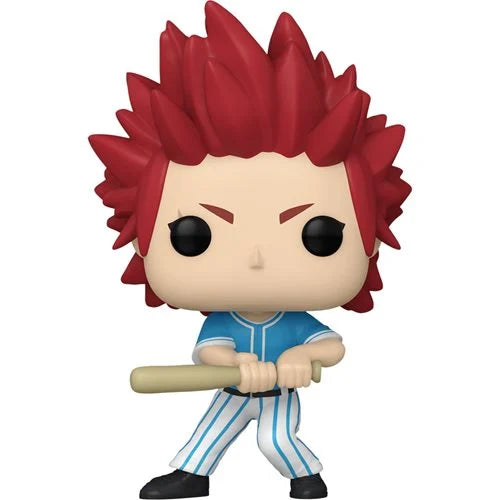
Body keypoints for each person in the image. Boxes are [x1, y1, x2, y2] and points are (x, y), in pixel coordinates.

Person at [89, 2, 411, 498]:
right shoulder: (226, 321)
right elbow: (208, 349)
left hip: (279, 391)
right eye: (194, 235)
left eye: (318, 234)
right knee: (210, 431)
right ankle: (192, 475)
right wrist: (232, 362)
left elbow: (332, 346)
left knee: (275, 439)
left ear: (370, 244)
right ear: (140, 241)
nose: (256, 258)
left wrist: (302, 356)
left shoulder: (295, 322)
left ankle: (306, 474)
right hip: (234, 385)